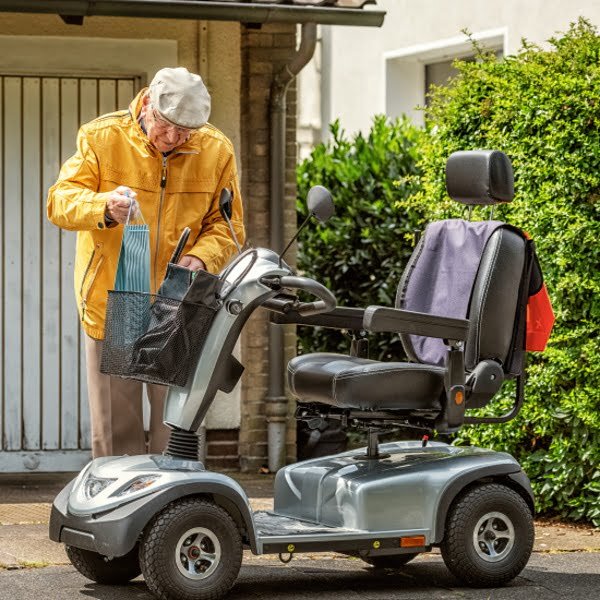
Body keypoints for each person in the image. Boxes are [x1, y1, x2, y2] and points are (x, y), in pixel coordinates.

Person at [47, 67, 245, 458]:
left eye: (185, 133)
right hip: (116, 301)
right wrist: (104, 206)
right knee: (117, 430)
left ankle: (169, 510)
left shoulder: (216, 150)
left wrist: (201, 257)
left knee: (175, 425)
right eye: (165, 126)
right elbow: (59, 203)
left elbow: (228, 225)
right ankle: (113, 509)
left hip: (177, 305)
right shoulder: (102, 137)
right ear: (148, 105)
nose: (172, 139)